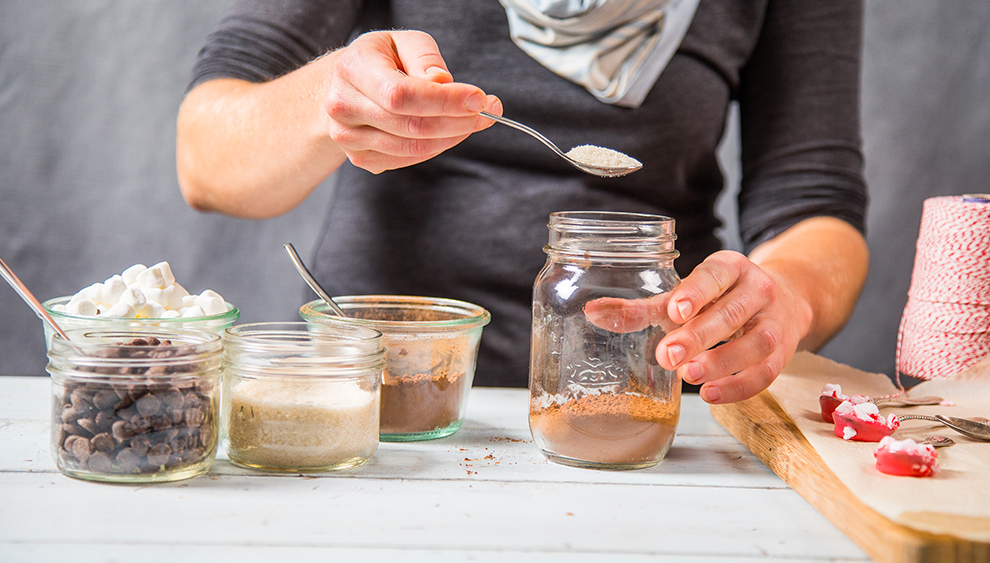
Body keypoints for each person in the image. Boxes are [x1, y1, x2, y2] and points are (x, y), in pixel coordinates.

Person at [176, 0, 869, 404]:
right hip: (381, 396)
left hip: (651, 399)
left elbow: (813, 201)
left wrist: (784, 297)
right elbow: (206, 159)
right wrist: (330, 97)